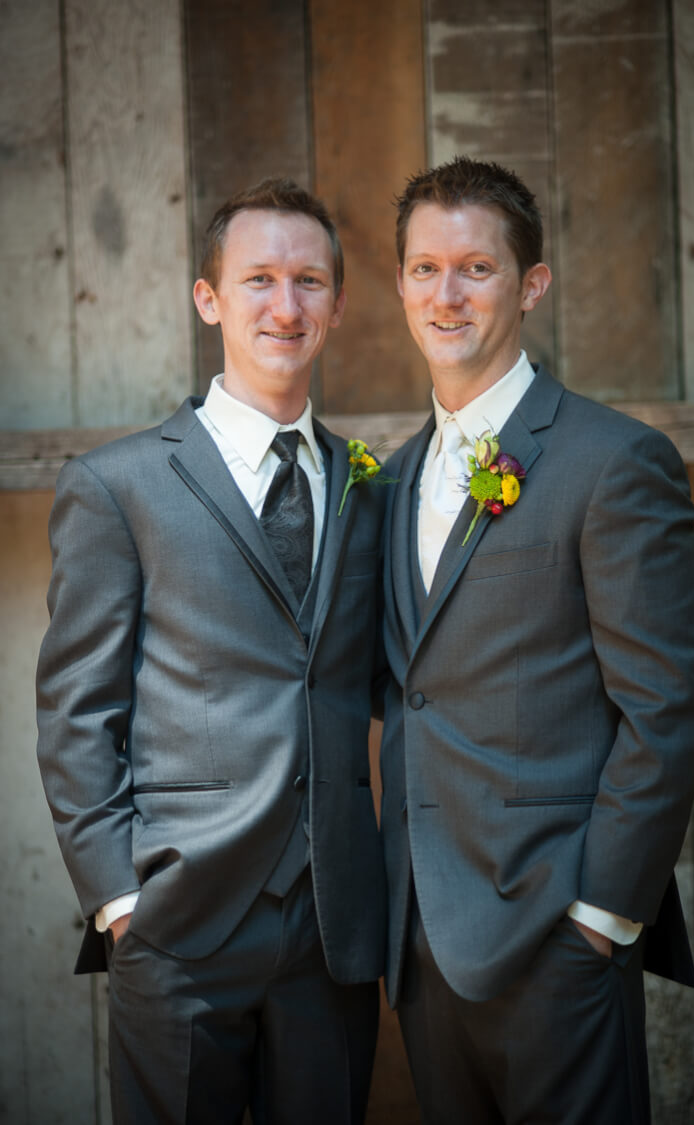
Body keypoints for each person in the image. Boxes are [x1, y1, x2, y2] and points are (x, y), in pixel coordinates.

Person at [36, 177, 386, 1125]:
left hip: (332, 926)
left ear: (339, 305)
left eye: (309, 281)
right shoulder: (118, 486)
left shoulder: (372, 489)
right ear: (209, 299)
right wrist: (119, 903)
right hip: (179, 923)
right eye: (259, 279)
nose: (285, 306)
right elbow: (77, 711)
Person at [378, 155, 694, 1124]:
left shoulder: (613, 463)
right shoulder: (391, 480)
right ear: (400, 283)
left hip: (554, 937)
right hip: (418, 938)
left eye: (474, 269)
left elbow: (665, 707)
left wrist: (600, 918)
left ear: (529, 285)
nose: (445, 295)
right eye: (422, 268)